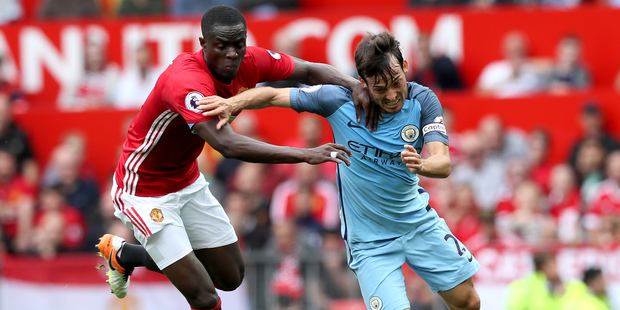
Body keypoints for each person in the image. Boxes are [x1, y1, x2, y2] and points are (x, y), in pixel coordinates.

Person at [96, 5, 367, 310]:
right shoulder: (187, 82)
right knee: (205, 296)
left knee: (230, 276)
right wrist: (305, 154)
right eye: (220, 46)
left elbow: (307, 69)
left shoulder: (252, 61)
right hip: (144, 190)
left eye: (237, 45)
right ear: (203, 45)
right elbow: (226, 145)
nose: (231, 54)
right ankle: (145, 257)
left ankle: (125, 255)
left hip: (186, 180)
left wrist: (354, 84)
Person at [199, 31, 481, 310]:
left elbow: (443, 164)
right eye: (380, 89)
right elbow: (274, 95)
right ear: (363, 83)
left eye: (397, 83)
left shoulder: (424, 100)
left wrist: (422, 165)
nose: (393, 95)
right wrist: (232, 102)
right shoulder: (338, 100)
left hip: (417, 222)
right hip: (370, 242)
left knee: (468, 301)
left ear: (405, 67)